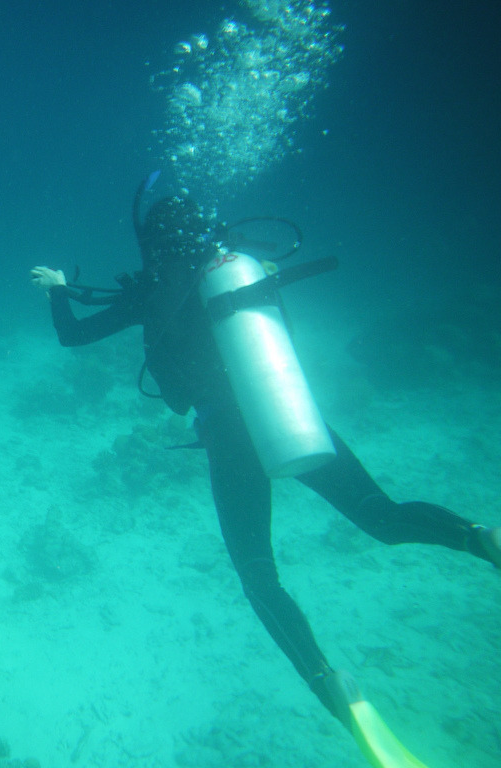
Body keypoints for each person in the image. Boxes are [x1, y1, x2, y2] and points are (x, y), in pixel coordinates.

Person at [30, 189, 501, 764]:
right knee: (383, 516)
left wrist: (57, 290)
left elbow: (72, 335)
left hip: (229, 437)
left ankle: (329, 680)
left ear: (149, 238)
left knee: (258, 574)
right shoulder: (233, 269)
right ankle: (480, 537)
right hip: (288, 409)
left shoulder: (153, 290)